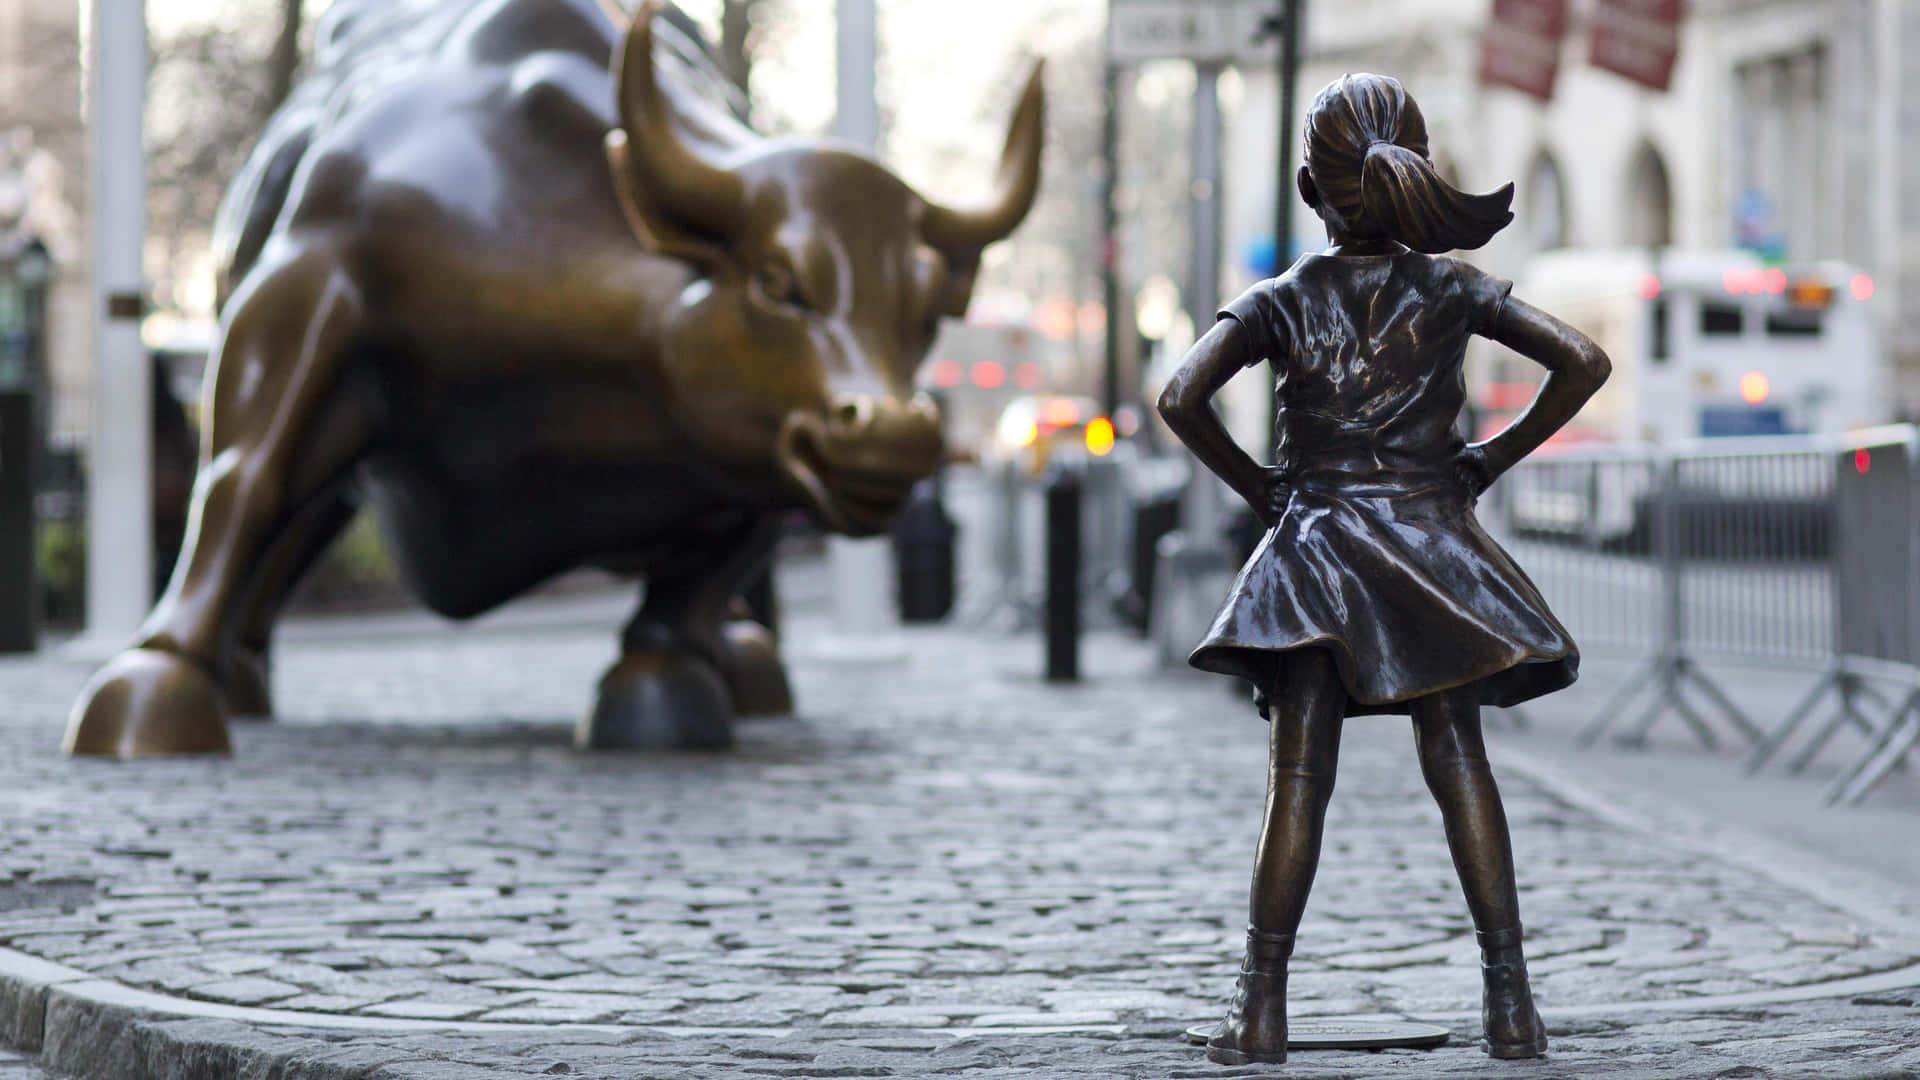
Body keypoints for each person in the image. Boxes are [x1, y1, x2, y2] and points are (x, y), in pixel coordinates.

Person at [1156, 73, 1610, 1064]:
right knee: (1459, 764)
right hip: (1430, 548)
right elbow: (1582, 360)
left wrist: (1263, 489)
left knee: (1300, 780)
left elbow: (1180, 397)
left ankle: (1261, 1009)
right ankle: (1512, 1007)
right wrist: (1486, 460)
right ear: (1412, 172)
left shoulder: (1280, 299)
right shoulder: (1450, 289)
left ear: (1309, 189)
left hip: (1314, 553)